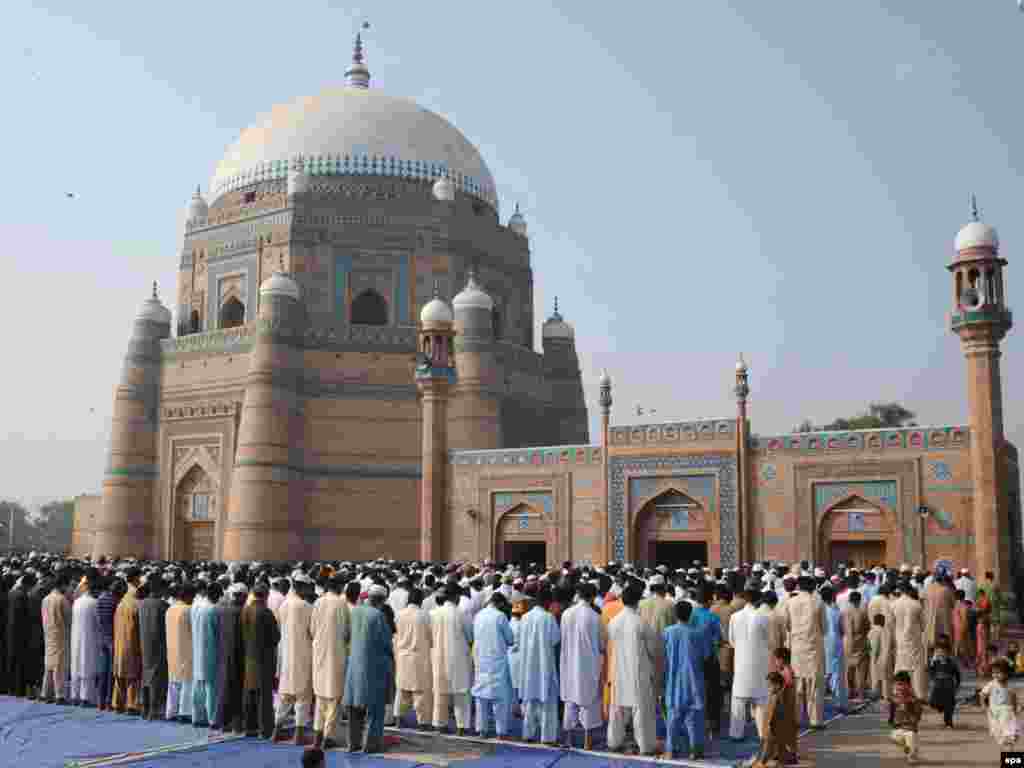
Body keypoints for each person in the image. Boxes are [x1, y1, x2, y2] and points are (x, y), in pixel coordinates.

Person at [607, 581, 663, 756]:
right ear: (637, 601)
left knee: (617, 710)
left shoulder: (614, 622)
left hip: (619, 670)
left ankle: (614, 741)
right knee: (642, 711)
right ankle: (646, 745)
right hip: (639, 671)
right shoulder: (641, 623)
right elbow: (654, 649)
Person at [343, 584, 394, 753]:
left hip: (354, 666)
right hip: (373, 668)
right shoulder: (378, 615)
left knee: (354, 709)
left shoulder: (355, 611)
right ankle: (371, 745)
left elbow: (348, 635)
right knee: (375, 708)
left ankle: (353, 743)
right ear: (382, 600)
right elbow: (385, 643)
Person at [560, 582, 606, 749]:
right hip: (588, 664)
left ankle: (568, 739)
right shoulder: (595, 617)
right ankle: (587, 741)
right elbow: (602, 644)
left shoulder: (566, 614)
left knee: (570, 701)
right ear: (593, 597)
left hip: (569, 662)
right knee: (589, 702)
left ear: (579, 595)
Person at [310, 576, 351, 749]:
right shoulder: (342, 604)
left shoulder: (318, 602)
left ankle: (318, 733)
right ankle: (329, 736)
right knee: (334, 698)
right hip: (336, 654)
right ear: (340, 587)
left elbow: (312, 629)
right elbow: (348, 633)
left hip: (320, 652)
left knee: (320, 696)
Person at [517, 585, 561, 745]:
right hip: (544, 665)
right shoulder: (548, 618)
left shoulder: (525, 617)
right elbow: (556, 639)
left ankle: (528, 734)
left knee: (530, 702)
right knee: (547, 703)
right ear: (548, 601)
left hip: (528, 665)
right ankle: (547, 737)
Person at [273, 577, 315, 745]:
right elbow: (312, 632)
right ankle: (298, 734)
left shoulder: (283, 605)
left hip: (286, 654)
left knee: (285, 696)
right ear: (302, 587)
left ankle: (276, 731)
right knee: (302, 696)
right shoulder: (306, 607)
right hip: (302, 654)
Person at [782, 576, 826, 730]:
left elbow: (787, 625)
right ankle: (815, 720)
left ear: (799, 587)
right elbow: (824, 628)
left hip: (797, 648)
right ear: (813, 587)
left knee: (798, 687)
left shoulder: (791, 602)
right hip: (813, 647)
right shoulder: (818, 602)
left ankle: (796, 719)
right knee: (814, 686)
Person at [663, 600, 706, 760]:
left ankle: (670, 749)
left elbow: (664, 657)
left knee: (673, 716)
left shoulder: (668, 632)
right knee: (694, 717)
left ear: (676, 614)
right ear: (690, 615)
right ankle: (695, 750)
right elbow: (705, 655)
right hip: (693, 679)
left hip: (674, 679)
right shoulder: (698, 633)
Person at [430, 586, 474, 735]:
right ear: (455, 597)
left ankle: (439, 724)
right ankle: (462, 726)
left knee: (440, 693)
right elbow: (470, 636)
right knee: (461, 694)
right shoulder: (461, 614)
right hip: (458, 658)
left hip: (438, 656)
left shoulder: (433, 613)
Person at [472, 592, 516, 740]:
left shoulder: (478, 616)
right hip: (497, 661)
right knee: (500, 699)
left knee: (481, 697)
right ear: (500, 604)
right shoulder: (500, 617)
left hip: (481, 659)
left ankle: (482, 730)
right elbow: (510, 640)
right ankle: (500, 731)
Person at [730, 587, 772, 741]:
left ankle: (736, 733)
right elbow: (769, 641)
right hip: (759, 663)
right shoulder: (763, 618)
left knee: (739, 700)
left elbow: (732, 641)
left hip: (740, 662)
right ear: (759, 600)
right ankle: (763, 733)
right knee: (760, 700)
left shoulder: (734, 617)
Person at [242, 583, 280, 739]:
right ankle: (265, 729)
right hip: (264, 659)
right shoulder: (265, 612)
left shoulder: (246, 610)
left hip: (250, 657)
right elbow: (275, 637)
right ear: (265, 595)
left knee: (250, 694)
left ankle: (250, 727)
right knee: (264, 697)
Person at [394, 585, 433, 731]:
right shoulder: (424, 615)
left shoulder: (399, 614)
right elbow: (430, 638)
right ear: (420, 600)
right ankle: (422, 722)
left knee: (402, 689)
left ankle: (398, 717)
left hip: (402, 656)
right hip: (419, 657)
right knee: (420, 692)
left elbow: (395, 635)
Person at [214, 583, 248, 734]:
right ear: (241, 596)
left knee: (224, 689)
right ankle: (236, 724)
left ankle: (223, 723)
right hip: (239, 656)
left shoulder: (221, 610)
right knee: (237, 691)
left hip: (223, 654)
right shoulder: (242, 612)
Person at [137, 575, 169, 720]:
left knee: (146, 675)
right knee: (156, 677)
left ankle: (145, 707)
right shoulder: (163, 606)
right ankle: (153, 709)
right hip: (159, 644)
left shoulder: (141, 604)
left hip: (144, 643)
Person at [112, 567, 142, 715]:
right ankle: (132, 704)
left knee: (120, 672)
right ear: (136, 579)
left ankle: (117, 702)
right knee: (132, 673)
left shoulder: (122, 600)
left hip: (119, 640)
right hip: (131, 641)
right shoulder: (136, 602)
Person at [192, 582, 223, 728]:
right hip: (211, 651)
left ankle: (197, 717)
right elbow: (219, 633)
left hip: (197, 649)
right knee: (211, 688)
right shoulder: (213, 610)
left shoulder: (196, 607)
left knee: (198, 685)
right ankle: (213, 720)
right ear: (216, 595)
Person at [70, 570, 102, 706]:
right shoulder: (94, 603)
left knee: (77, 666)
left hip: (76, 638)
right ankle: (85, 697)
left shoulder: (76, 602)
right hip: (90, 639)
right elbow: (99, 623)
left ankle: (74, 695)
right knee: (87, 667)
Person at [891, 583, 927, 701]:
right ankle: (918, 696)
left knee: (901, 667)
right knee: (916, 669)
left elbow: (891, 624)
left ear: (901, 591)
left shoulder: (894, 605)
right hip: (914, 640)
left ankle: (898, 694)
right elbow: (923, 625)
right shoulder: (916, 605)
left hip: (900, 640)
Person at [40, 570, 72, 704]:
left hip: (48, 633)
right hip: (61, 635)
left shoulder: (45, 599)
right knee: (59, 666)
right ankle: (59, 695)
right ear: (62, 585)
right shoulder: (62, 600)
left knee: (49, 665)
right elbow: (69, 620)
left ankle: (45, 693)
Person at [6, 571, 39, 698]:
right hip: (21, 634)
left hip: (11, 632)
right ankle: (19, 690)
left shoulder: (11, 593)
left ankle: (11, 688)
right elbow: (25, 617)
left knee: (11, 660)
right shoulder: (22, 596)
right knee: (20, 663)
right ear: (27, 585)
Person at [166, 583, 195, 722]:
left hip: (172, 648)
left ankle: (171, 711)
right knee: (186, 682)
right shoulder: (188, 610)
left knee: (173, 682)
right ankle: (184, 712)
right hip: (186, 648)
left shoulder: (170, 609)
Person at [750, 672, 789, 768]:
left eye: (770, 685)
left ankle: (762, 762)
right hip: (776, 728)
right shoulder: (779, 695)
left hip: (774, 727)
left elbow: (772, 714)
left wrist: (767, 728)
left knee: (768, 747)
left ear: (777, 685)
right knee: (774, 748)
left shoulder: (776, 697)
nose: (768, 688)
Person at [981, 658, 1019, 747]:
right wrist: (983, 706)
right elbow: (982, 695)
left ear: (1006, 674)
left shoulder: (1010, 686)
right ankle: (1007, 744)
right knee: (998, 733)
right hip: (994, 712)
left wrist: (1015, 708)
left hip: (1007, 710)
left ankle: (1010, 749)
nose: (995, 675)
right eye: (993, 673)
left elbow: (1013, 697)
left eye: (998, 673)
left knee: (1009, 734)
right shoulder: (991, 684)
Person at [769, 647, 798, 764]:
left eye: (776, 660)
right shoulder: (781, 671)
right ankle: (781, 752)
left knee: (789, 732)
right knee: (780, 731)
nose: (775, 662)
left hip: (787, 707)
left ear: (783, 659)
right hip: (782, 707)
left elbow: (787, 687)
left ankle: (792, 755)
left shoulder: (787, 671)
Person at [822, 585, 847, 714]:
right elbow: (842, 629)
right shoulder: (836, 610)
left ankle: (821, 701)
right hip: (835, 643)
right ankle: (839, 703)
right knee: (836, 673)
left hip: (823, 643)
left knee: (825, 673)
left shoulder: (820, 610)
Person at [889, 670, 923, 764]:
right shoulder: (895, 697)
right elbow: (892, 709)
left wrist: (909, 707)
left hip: (910, 728)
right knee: (893, 737)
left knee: (911, 737)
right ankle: (907, 748)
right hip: (899, 727)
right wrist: (891, 719)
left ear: (908, 685)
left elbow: (918, 713)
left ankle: (912, 756)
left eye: (901, 684)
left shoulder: (913, 699)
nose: (898, 687)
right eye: (896, 685)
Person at [841, 591, 870, 701]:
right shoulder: (863, 612)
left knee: (848, 669)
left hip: (847, 642)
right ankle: (861, 694)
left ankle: (849, 692)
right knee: (861, 671)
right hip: (861, 642)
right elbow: (867, 627)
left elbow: (840, 627)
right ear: (859, 600)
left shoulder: (843, 611)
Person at [927, 635, 960, 729]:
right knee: (933, 703)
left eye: (943, 652)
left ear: (948, 653)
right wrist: (932, 676)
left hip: (949, 687)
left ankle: (948, 723)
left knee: (949, 706)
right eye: (938, 651)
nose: (941, 653)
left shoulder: (951, 663)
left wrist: (957, 685)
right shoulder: (935, 662)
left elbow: (957, 674)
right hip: (937, 687)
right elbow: (930, 671)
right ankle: (940, 707)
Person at [868, 613, 894, 709]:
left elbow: (874, 647)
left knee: (876, 679)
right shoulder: (887, 631)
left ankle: (877, 697)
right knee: (886, 679)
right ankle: (887, 697)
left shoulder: (874, 631)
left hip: (878, 659)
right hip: (887, 658)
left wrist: (873, 659)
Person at [979, 572, 1002, 645]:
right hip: (994, 606)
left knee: (987, 624)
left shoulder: (982, 585)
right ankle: (996, 639)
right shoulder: (995, 585)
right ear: (992, 577)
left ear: (986, 577)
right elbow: (1000, 596)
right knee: (996, 623)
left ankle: (988, 639)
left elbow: (979, 595)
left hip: (985, 606)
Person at [976, 589, 992, 677]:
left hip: (982, 641)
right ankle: (983, 670)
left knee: (982, 652)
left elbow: (983, 609)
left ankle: (983, 670)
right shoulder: (984, 600)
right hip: (983, 638)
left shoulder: (982, 601)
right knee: (983, 652)